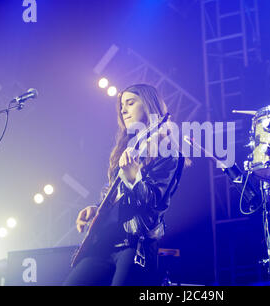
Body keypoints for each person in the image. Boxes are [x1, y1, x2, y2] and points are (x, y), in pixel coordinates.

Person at [63, 84, 185, 286]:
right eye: (121, 106)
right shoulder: (128, 147)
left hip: (136, 246)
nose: (123, 110)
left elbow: (154, 203)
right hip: (105, 243)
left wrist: (134, 178)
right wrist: (98, 210)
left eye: (130, 103)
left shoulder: (169, 151)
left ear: (148, 106)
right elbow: (116, 196)